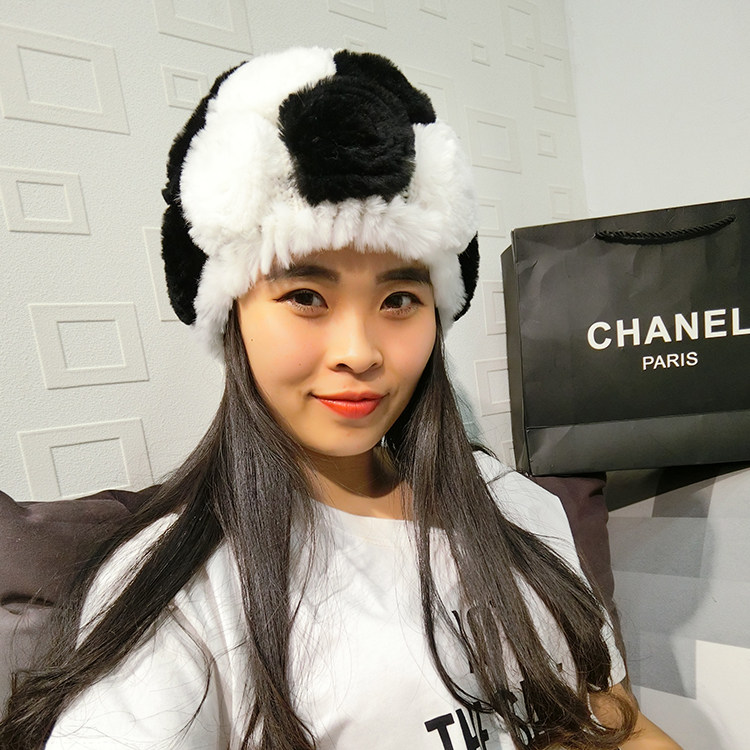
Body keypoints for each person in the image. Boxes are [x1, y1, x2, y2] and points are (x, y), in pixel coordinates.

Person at [0, 47, 681, 750]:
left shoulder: (516, 507)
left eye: (399, 298)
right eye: (305, 296)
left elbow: (616, 722)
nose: (359, 351)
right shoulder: (178, 590)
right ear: (233, 316)